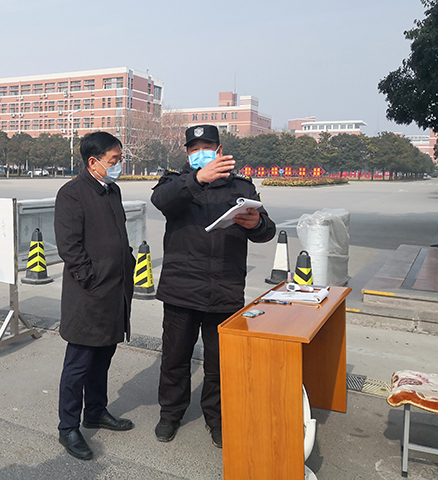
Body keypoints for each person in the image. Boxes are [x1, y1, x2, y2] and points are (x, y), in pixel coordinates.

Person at [151, 125, 276, 448]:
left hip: (225, 288)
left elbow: (266, 231)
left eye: (207, 147)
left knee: (219, 363)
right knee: (175, 358)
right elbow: (161, 202)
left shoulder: (241, 186)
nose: (200, 153)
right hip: (181, 288)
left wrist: (258, 223)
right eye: (194, 149)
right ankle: (170, 414)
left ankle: (217, 418)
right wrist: (197, 179)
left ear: (220, 151)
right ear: (187, 153)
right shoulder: (175, 183)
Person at [54, 131, 136, 460]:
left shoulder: (111, 190)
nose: (118, 165)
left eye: (119, 159)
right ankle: (68, 427)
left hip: (115, 291)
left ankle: (96, 411)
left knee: (103, 357)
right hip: (89, 294)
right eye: (114, 160)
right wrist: (92, 279)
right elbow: (69, 248)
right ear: (93, 161)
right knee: (79, 364)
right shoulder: (72, 194)